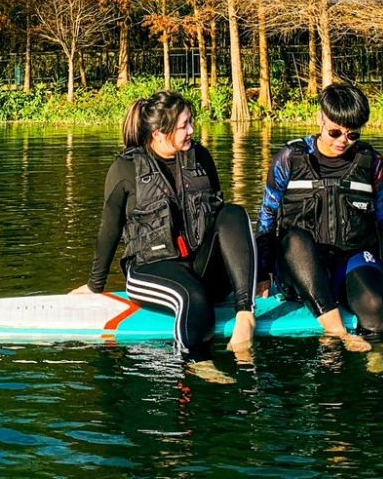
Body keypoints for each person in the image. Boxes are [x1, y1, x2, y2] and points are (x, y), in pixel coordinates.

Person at [73, 91, 258, 381]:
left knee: (234, 213)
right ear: (160, 133)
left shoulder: (201, 158)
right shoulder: (125, 169)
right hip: (151, 268)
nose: (192, 131)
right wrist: (95, 285)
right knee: (191, 295)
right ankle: (197, 362)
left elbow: (224, 225)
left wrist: (257, 278)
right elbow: (108, 230)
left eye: (191, 123)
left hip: (200, 267)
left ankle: (245, 314)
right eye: (185, 125)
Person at [257, 81, 383, 352]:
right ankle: (338, 331)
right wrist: (262, 273)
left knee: (375, 305)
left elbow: (378, 220)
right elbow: (267, 215)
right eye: (334, 132)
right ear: (320, 118)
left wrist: (378, 269)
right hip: (300, 266)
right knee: (295, 241)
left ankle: (377, 369)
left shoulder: (374, 163)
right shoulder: (289, 159)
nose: (342, 141)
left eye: (352, 135)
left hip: (350, 259)